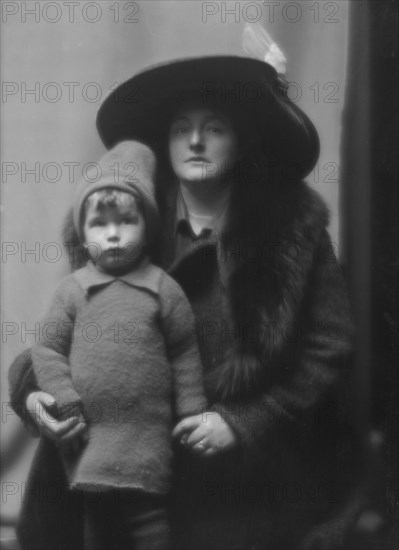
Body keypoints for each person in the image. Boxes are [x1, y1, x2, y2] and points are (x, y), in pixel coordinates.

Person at [9, 56, 359, 550]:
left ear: (242, 140)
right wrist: (31, 392)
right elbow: (68, 331)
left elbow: (330, 347)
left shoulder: (292, 229)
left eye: (213, 128)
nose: (195, 141)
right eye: (181, 129)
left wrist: (241, 422)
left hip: (229, 470)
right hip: (114, 456)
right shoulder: (119, 215)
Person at [28, 139, 213, 550]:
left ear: (147, 227)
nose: (112, 235)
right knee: (97, 518)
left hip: (146, 436)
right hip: (89, 435)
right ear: (82, 231)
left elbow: (184, 351)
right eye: (99, 224)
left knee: (149, 518)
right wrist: (65, 398)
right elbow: (47, 349)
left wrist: (193, 411)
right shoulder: (73, 291)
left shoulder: (163, 289)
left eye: (126, 222)